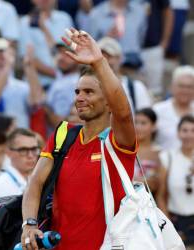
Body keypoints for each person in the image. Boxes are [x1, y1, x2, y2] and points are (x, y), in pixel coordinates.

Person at [20, 28, 137, 250]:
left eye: (89, 92)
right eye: (77, 92)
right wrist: (29, 224)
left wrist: (99, 62)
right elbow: (35, 182)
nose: (80, 98)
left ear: (108, 101)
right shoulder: (63, 133)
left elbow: (123, 113)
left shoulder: (118, 141)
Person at [158, 115, 194, 248]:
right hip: (175, 220)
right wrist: (168, 225)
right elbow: (161, 194)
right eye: (185, 130)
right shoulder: (167, 157)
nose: (189, 135)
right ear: (178, 133)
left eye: (193, 130)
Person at [19, 0, 74, 89]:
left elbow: (70, 52)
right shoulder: (24, 23)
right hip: (38, 85)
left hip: (66, 83)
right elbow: (28, 58)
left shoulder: (65, 18)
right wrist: (58, 74)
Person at [97, 37, 152, 113]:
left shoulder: (136, 87)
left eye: (109, 56)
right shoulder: (85, 86)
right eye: (101, 57)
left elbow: (145, 119)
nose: (105, 61)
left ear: (120, 59)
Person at [0, 128, 40, 202]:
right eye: (23, 150)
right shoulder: (0, 188)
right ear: (8, 152)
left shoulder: (38, 180)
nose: (30, 155)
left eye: (34, 149)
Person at [153, 65, 194, 150]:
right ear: (172, 87)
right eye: (181, 86)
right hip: (164, 162)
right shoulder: (157, 111)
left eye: (190, 87)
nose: (185, 91)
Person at [133, 108, 162, 196]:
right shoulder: (125, 149)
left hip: (150, 204)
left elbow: (157, 185)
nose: (138, 127)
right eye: (136, 122)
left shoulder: (159, 153)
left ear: (153, 126)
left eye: (143, 123)